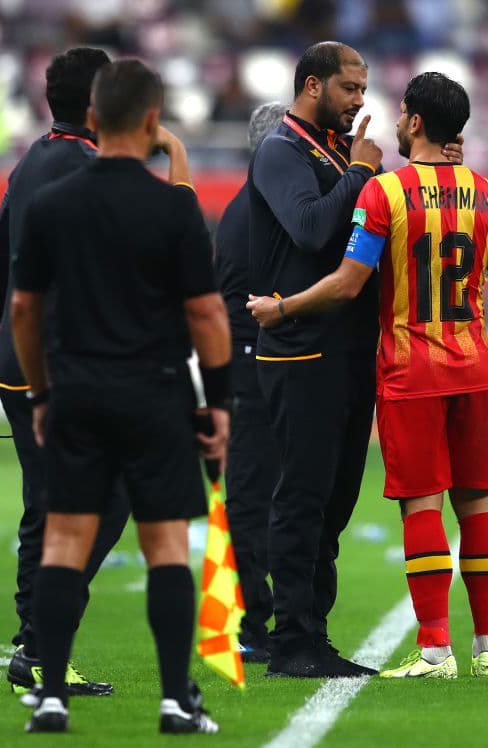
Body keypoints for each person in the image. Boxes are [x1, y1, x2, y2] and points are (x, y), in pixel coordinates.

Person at [248, 71, 488, 679]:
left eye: (401, 112)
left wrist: (283, 307)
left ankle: (434, 650)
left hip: (411, 371)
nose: (394, 121)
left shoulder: (385, 193)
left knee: (422, 505)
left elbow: (348, 285)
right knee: (477, 508)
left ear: (417, 123)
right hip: (476, 369)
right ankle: (487, 650)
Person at [11, 58, 230, 735]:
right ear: (154, 122)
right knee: (166, 545)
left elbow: (23, 308)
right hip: (155, 392)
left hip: (75, 391)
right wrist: (218, 401)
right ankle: (173, 700)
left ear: (94, 119)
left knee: (63, 543)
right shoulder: (174, 206)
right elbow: (208, 316)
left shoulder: (52, 203)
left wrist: (43, 395)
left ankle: (49, 695)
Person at [0, 47, 131, 699]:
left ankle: (36, 643)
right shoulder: (91, 171)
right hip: (65, 364)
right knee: (103, 498)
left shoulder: (30, 162)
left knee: (47, 501)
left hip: (17, 358)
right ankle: (41, 642)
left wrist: (13, 336)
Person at [212, 100, 288, 664]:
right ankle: (255, 621)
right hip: (252, 364)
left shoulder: (246, 209)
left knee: (257, 494)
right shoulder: (258, 212)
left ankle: (258, 617)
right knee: (254, 496)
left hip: (246, 362)